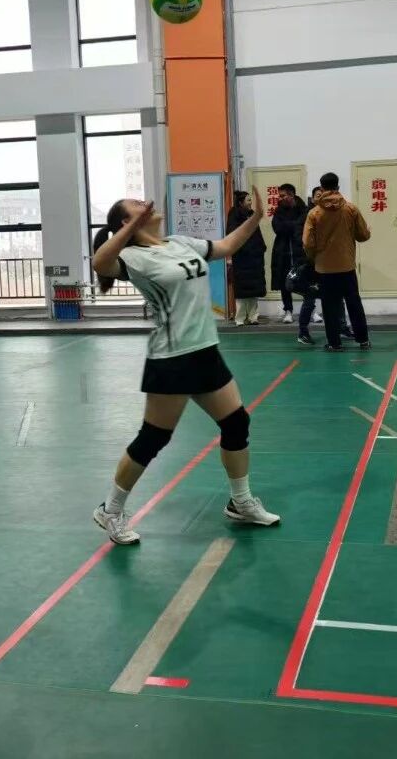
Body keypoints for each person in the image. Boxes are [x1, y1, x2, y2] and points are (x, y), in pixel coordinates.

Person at [89, 186, 280, 545]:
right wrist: (129, 232)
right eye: (136, 205)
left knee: (236, 423)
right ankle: (110, 510)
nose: (146, 202)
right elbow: (100, 264)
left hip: (205, 349)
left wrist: (255, 218)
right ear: (127, 222)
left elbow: (225, 247)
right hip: (172, 358)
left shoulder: (179, 243)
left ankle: (240, 503)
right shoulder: (132, 257)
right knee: (154, 437)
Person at [303, 172, 372, 351]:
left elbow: (307, 243)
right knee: (354, 303)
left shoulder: (314, 213)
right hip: (347, 266)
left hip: (324, 269)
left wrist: (313, 258)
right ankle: (363, 340)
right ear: (338, 187)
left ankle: (334, 343)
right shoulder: (351, 209)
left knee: (329, 306)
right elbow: (363, 236)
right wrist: (367, 230)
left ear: (322, 188)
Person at [226, 190, 267, 326]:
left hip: (255, 256)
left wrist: (261, 248)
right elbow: (232, 233)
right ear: (240, 202)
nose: (250, 202)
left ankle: (253, 317)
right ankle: (240, 318)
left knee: (254, 289)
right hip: (241, 256)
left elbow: (258, 233)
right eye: (248, 200)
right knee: (242, 291)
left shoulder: (252, 214)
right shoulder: (234, 215)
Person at [269, 183, 306, 324]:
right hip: (283, 252)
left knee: (306, 281)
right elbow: (278, 228)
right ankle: (288, 311)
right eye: (279, 196)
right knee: (285, 284)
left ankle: (311, 310)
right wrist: (294, 225)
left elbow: (304, 227)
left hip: (301, 252)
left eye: (283, 195)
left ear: (291, 195)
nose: (280, 198)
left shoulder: (304, 209)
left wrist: (289, 225)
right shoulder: (278, 211)